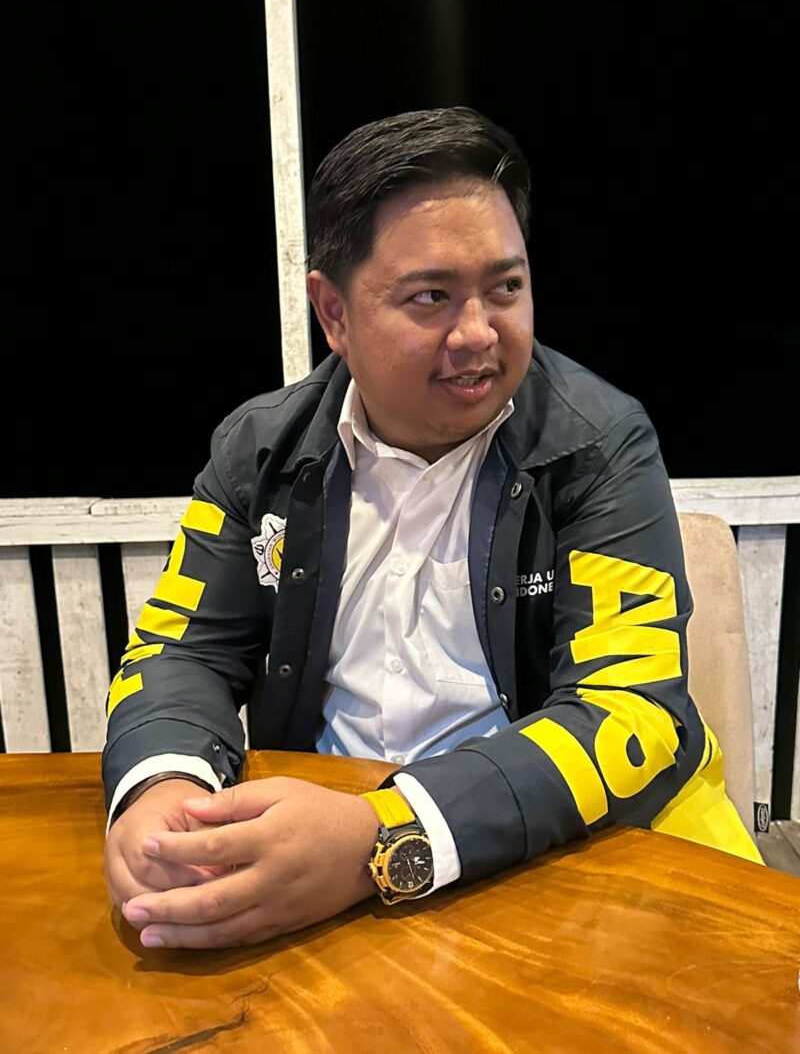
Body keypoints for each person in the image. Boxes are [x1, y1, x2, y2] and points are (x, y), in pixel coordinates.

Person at [103, 106, 761, 950]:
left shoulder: (597, 444)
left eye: (506, 287)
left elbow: (625, 709)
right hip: (322, 863)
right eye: (431, 297)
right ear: (334, 313)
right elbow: (181, 650)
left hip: (552, 853)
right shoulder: (258, 452)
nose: (479, 332)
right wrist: (162, 787)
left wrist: (385, 834)